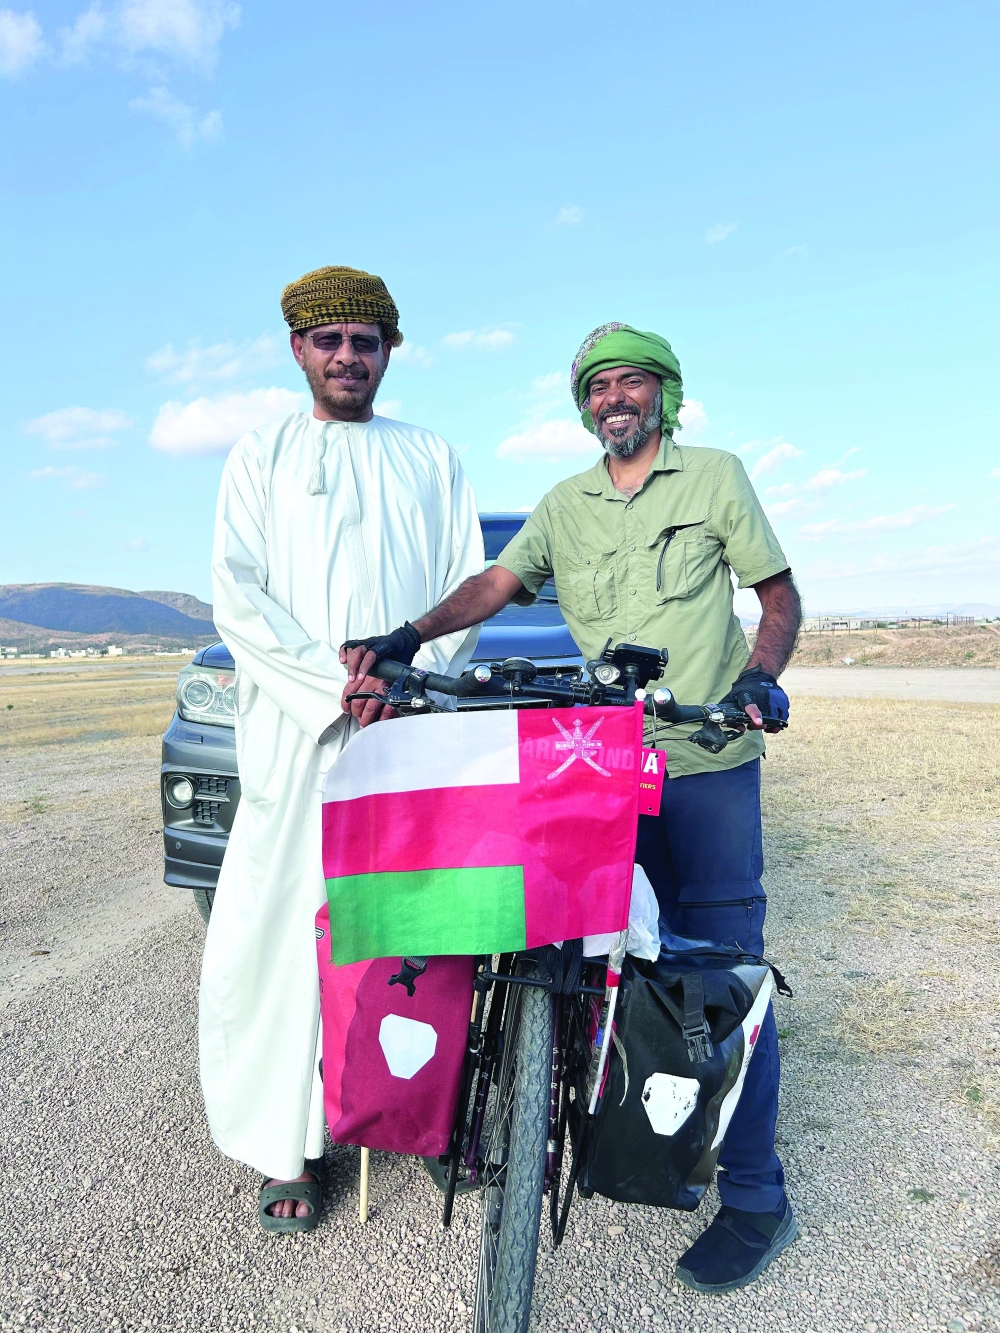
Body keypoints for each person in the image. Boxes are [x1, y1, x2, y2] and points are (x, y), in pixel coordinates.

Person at [341, 322, 802, 1292]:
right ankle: (538, 1110)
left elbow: (776, 598)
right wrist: (407, 635)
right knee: (563, 946)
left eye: (631, 382)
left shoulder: (714, 476)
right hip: (601, 764)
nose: (613, 399)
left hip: (708, 759)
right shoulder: (565, 503)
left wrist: (760, 681)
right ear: (584, 404)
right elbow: (495, 584)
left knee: (719, 970)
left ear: (663, 395)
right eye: (597, 387)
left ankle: (758, 1198)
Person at [201, 265, 484, 1232]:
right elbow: (238, 596)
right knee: (283, 934)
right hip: (297, 736)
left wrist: (404, 681)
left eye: (366, 341)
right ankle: (289, 1149)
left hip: (403, 735)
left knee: (409, 934)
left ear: (389, 353)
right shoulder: (260, 455)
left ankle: (412, 1112)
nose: (348, 357)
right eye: (331, 341)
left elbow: (462, 586)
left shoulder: (432, 457)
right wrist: (335, 686)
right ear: (297, 350)